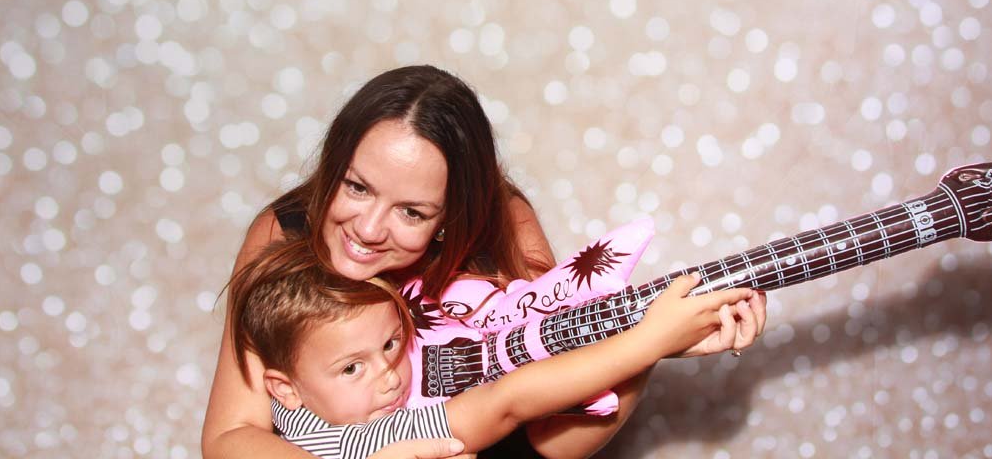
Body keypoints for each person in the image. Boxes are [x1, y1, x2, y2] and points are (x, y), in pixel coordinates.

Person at [201, 65, 768, 459]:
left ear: (452, 216)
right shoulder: (283, 234)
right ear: (334, 162)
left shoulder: (501, 224)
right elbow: (231, 437)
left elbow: (555, 443)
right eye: (356, 186)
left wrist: (646, 344)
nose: (369, 229)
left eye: (413, 213)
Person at [226, 236, 759, 459]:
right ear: (284, 389)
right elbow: (509, 399)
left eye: (391, 343)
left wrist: (649, 342)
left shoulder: (296, 408)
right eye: (351, 369)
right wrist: (647, 342)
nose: (389, 375)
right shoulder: (375, 438)